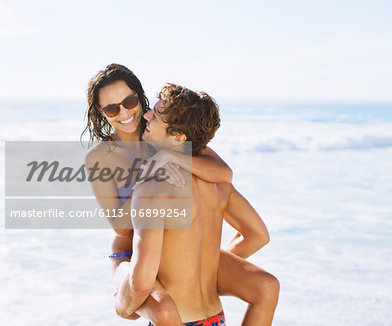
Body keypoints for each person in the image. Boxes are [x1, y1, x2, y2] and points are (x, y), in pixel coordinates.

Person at [83, 64, 279, 325]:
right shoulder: (100, 157)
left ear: (139, 97)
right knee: (154, 306)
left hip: (163, 251)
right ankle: (123, 303)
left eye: (129, 101)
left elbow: (223, 173)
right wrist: (150, 176)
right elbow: (120, 227)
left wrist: (199, 262)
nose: (125, 112)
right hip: (130, 254)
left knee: (265, 286)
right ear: (101, 113)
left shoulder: (163, 130)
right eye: (111, 108)